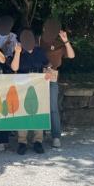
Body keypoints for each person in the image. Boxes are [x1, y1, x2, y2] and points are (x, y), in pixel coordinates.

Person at [10, 29, 50, 155]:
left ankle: (38, 141)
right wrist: (17, 53)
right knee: (23, 112)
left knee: (39, 111)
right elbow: (14, 68)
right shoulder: (18, 52)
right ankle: (22, 142)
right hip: (23, 85)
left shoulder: (39, 51)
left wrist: (48, 71)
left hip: (38, 84)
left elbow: (47, 64)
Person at [40, 18, 75, 148]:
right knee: (40, 106)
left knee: (53, 107)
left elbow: (71, 55)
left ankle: (56, 136)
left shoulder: (60, 43)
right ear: (44, 28)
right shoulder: (38, 40)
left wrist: (65, 40)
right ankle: (40, 134)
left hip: (52, 77)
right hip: (38, 77)